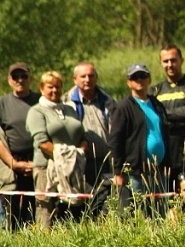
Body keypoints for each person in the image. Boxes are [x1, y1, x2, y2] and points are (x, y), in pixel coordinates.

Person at [26, 71, 88, 227]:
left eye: (58, 87)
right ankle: (43, 246)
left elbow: (82, 136)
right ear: (42, 88)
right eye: (50, 87)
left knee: (72, 208)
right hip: (46, 167)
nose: (55, 90)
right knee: (46, 210)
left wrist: (78, 153)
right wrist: (65, 157)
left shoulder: (69, 109)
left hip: (73, 168)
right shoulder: (36, 111)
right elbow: (42, 142)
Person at [63, 61, 122, 216]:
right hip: (79, 163)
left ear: (96, 78)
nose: (87, 79)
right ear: (74, 79)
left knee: (105, 204)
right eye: (83, 76)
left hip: (105, 162)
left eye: (91, 76)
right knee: (80, 205)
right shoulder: (66, 101)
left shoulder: (108, 100)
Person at [109, 63, 169, 215]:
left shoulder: (157, 104)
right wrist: (118, 171)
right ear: (129, 82)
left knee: (159, 213)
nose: (139, 80)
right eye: (134, 77)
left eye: (142, 76)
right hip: (135, 171)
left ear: (149, 79)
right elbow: (116, 140)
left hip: (158, 170)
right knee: (138, 213)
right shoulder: (123, 107)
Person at [152, 45, 185, 198]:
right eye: (166, 61)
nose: (170, 64)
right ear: (161, 63)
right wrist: (177, 118)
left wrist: (162, 115)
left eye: (173, 60)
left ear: (181, 61)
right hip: (164, 158)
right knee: (168, 203)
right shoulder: (155, 91)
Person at [0, 62, 41, 227]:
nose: (20, 80)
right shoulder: (2, 103)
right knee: (11, 209)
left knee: (36, 207)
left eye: (23, 76)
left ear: (30, 78)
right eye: (15, 76)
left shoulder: (40, 100)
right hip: (10, 163)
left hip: (38, 161)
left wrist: (36, 163)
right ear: (9, 80)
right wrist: (13, 163)